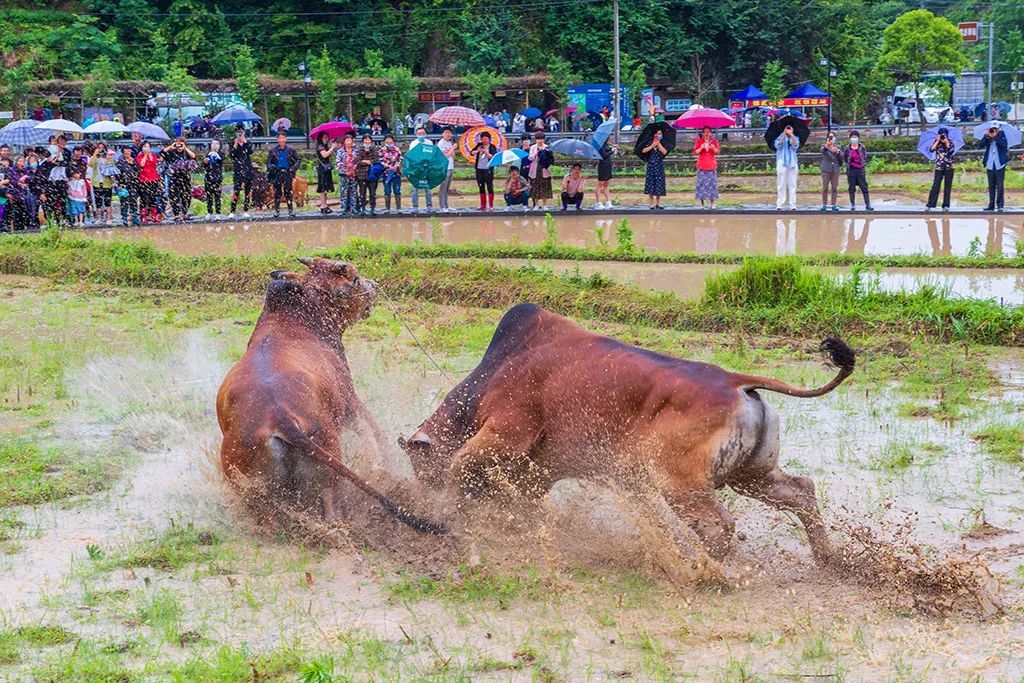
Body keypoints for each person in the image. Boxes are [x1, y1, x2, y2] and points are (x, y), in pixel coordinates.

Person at [162, 137, 197, 222]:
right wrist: (171, 146)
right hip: (175, 177)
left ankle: (185, 213)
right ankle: (176, 215)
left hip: (185, 177)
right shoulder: (171, 152)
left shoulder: (186, 152)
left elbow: (194, 156)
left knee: (186, 196)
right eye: (178, 143)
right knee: (174, 196)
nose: (179, 146)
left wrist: (185, 148)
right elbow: (162, 153)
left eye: (181, 143)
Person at [925, 127, 955, 211]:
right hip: (939, 167)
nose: (942, 136)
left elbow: (951, 151)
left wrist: (946, 142)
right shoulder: (936, 142)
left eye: (944, 135)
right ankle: (930, 204)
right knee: (935, 185)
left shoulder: (951, 142)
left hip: (949, 167)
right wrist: (937, 141)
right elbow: (931, 150)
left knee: (947, 187)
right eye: (941, 135)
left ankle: (946, 205)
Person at [228, 126, 254, 219]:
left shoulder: (247, 141)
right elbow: (231, 155)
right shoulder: (233, 142)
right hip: (238, 170)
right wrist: (236, 144)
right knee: (236, 190)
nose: (239, 133)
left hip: (248, 170)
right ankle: (232, 211)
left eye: (241, 131)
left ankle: (246, 210)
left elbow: (250, 152)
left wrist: (245, 142)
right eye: (238, 131)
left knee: (248, 191)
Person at [842, 130, 872, 211]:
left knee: (864, 187)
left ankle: (868, 204)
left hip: (860, 170)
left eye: (856, 137)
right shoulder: (847, 148)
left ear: (858, 138)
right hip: (851, 170)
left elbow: (865, 157)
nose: (854, 139)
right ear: (850, 138)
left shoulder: (862, 147)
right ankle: (852, 204)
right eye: (852, 137)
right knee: (851, 188)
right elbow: (845, 158)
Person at [981, 123, 1008, 211]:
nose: (993, 130)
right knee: (991, 185)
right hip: (990, 163)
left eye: (995, 129)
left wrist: (995, 137)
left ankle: (1000, 205)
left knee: (1000, 185)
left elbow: (1004, 145)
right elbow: (980, 145)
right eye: (992, 129)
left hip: (999, 164)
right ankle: (991, 205)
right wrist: (987, 136)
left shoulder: (1002, 134)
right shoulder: (988, 135)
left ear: (998, 129)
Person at [693, 126, 720, 210]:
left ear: (711, 133)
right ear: (702, 133)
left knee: (712, 185)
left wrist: (713, 148)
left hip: (711, 165)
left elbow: (717, 152)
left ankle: (712, 204)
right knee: (701, 185)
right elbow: (695, 152)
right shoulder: (699, 141)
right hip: (701, 165)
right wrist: (701, 148)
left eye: (708, 132)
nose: (706, 134)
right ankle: (702, 204)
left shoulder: (714, 142)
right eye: (705, 132)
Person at [774, 124, 800, 211]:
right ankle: (780, 204)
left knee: (792, 184)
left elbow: (796, 146)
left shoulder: (795, 137)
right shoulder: (779, 137)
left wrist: (792, 136)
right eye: (787, 128)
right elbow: (777, 146)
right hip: (782, 161)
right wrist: (784, 136)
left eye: (789, 128)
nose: (788, 130)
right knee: (781, 183)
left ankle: (792, 205)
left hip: (792, 162)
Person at [136, 141, 163, 223]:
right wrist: (145, 155)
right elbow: (141, 164)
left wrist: (149, 155)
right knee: (144, 198)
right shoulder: (139, 156)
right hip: (143, 180)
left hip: (154, 179)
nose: (146, 148)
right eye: (144, 146)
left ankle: (153, 215)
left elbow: (154, 163)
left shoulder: (153, 156)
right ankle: (143, 216)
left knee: (153, 198)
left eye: (148, 146)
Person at [91, 146, 119, 225]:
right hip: (97, 183)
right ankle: (99, 218)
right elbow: (90, 164)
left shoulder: (110, 160)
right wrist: (94, 154)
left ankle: (108, 218)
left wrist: (108, 158)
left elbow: (113, 171)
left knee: (108, 201)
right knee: (98, 202)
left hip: (106, 183)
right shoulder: (95, 160)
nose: (101, 154)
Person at [408, 127, 433, 212]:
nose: (421, 135)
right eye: (419, 134)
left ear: (425, 134)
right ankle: (415, 206)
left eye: (423, 133)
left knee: (428, 189)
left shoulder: (429, 143)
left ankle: (429, 205)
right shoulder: (413, 144)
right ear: (416, 135)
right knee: (415, 189)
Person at [471, 131, 498, 211]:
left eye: (486, 139)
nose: (484, 140)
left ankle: (491, 205)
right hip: (479, 169)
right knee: (481, 186)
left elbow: (493, 157)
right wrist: (478, 150)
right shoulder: (479, 145)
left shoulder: (492, 147)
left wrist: (486, 152)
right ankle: (483, 205)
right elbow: (471, 153)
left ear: (489, 139)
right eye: (483, 139)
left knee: (489, 186)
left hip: (488, 169)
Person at [527, 132, 554, 210]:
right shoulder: (532, 147)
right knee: (535, 188)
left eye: (541, 139)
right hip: (535, 170)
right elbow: (530, 158)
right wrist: (535, 154)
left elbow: (550, 159)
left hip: (544, 171)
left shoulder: (547, 147)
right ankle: (536, 204)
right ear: (536, 139)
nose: (540, 141)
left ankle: (545, 204)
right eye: (538, 139)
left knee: (544, 187)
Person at [641, 129, 668, 210]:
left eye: (660, 134)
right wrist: (652, 146)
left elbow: (664, 152)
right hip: (651, 166)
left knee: (659, 184)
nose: (658, 135)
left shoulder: (663, 142)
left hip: (659, 166)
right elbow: (643, 150)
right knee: (651, 183)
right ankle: (651, 203)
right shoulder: (649, 142)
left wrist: (659, 144)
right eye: (657, 133)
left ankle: (658, 203)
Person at [354, 134, 379, 216]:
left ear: (371, 141)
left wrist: (365, 161)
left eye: (369, 140)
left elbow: (375, 160)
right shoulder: (359, 150)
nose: (367, 142)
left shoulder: (374, 149)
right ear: (363, 141)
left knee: (372, 193)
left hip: (372, 175)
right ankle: (363, 209)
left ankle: (372, 209)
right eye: (365, 140)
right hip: (361, 175)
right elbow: (357, 161)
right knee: (362, 192)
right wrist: (367, 162)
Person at [116, 146, 140, 226]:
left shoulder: (134, 160)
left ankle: (134, 218)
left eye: (129, 151)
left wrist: (132, 164)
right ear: (123, 152)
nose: (127, 153)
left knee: (133, 201)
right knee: (124, 202)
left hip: (133, 184)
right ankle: (124, 218)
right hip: (123, 185)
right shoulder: (120, 161)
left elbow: (138, 170)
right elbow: (117, 173)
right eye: (126, 151)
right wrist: (119, 184)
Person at [335, 134, 359, 215]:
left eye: (350, 140)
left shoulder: (356, 151)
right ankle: (343, 208)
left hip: (354, 174)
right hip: (344, 174)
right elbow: (338, 162)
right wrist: (346, 166)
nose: (349, 142)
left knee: (353, 191)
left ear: (352, 141)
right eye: (347, 140)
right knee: (344, 191)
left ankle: (353, 208)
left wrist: (354, 166)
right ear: (344, 142)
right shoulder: (340, 151)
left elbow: (358, 161)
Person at [379, 133, 402, 213]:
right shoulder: (382, 150)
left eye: (390, 139)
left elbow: (400, 159)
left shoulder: (397, 149)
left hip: (396, 173)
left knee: (397, 190)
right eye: (387, 139)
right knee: (387, 190)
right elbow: (380, 161)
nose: (389, 141)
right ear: (385, 140)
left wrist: (396, 166)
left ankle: (398, 208)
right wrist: (388, 166)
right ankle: (387, 208)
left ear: (392, 140)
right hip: (386, 173)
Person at [314, 132, 336, 214]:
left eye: (327, 137)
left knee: (326, 188)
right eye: (324, 137)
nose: (326, 139)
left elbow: (329, 155)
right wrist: (332, 148)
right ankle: (323, 205)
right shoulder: (320, 146)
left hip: (326, 169)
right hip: (322, 169)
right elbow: (324, 155)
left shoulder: (325, 146)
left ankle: (325, 205)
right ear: (321, 138)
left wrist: (331, 148)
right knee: (322, 188)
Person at [819, 131, 841, 211]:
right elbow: (822, 151)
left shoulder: (838, 146)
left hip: (835, 170)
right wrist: (827, 145)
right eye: (830, 137)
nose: (832, 139)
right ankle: (824, 204)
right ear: (827, 138)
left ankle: (833, 205)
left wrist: (838, 153)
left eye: (833, 137)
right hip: (826, 170)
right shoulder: (824, 146)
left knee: (834, 188)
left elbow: (842, 157)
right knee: (825, 187)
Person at [203, 140, 224, 220]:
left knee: (217, 196)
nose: (214, 145)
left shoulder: (221, 154)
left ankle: (218, 213)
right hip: (208, 178)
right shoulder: (208, 154)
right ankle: (209, 212)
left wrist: (216, 153)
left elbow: (220, 162)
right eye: (213, 143)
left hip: (217, 178)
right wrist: (205, 162)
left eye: (217, 143)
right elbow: (204, 166)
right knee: (209, 196)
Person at [436, 128, 456, 211]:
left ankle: (447, 205)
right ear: (443, 134)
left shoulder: (449, 143)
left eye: (449, 132)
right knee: (443, 188)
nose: (448, 134)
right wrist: (452, 149)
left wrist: (452, 148)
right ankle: (442, 206)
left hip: (451, 166)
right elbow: (445, 156)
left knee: (447, 188)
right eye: (446, 132)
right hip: (444, 168)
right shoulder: (441, 143)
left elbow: (453, 155)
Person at [593, 141, 615, 209]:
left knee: (606, 184)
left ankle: (608, 201)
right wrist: (612, 151)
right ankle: (597, 202)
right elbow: (604, 155)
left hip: (608, 165)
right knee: (600, 184)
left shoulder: (605, 144)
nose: (609, 137)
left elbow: (607, 150)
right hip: (603, 166)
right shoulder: (600, 145)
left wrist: (612, 148)